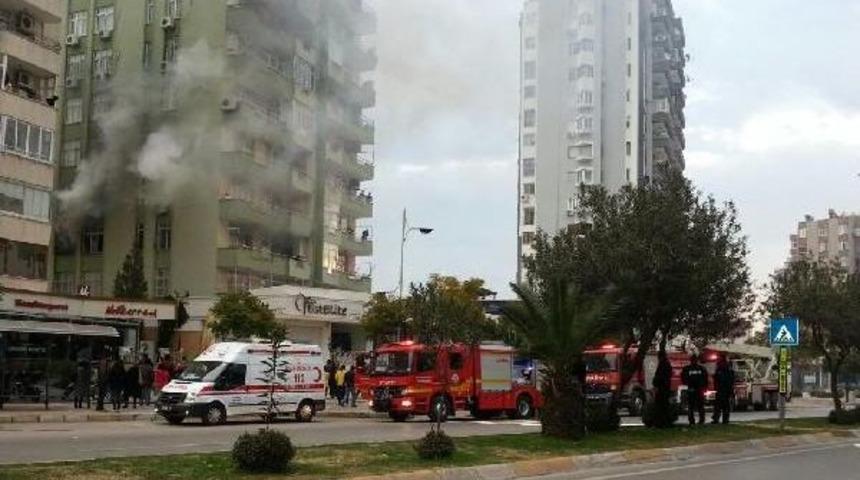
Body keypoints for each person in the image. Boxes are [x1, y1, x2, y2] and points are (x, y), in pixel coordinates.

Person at [680, 354, 708, 426]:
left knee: (692, 406)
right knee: (699, 406)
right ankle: (700, 420)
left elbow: (683, 378)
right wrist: (704, 387)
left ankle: (693, 421)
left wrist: (688, 385)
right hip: (697, 389)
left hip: (693, 389)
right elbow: (705, 379)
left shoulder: (687, 369)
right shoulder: (701, 369)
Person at [712, 355, 735, 425]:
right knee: (725, 406)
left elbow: (716, 380)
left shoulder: (719, 370)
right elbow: (732, 381)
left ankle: (716, 419)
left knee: (718, 406)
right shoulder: (729, 371)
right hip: (725, 391)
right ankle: (725, 420)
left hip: (721, 390)